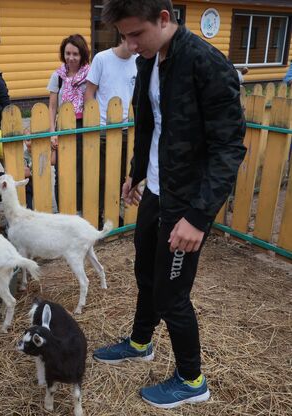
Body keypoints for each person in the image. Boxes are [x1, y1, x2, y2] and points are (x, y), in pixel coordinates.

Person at [92, 0, 246, 409]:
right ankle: (141, 342)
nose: (129, 43)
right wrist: (137, 171)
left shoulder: (206, 64)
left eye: (135, 33)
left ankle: (192, 380)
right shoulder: (149, 59)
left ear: (164, 18)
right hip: (157, 191)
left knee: (171, 295)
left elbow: (229, 148)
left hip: (187, 202)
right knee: (145, 270)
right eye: (123, 36)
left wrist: (197, 217)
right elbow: (149, 122)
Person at [85, 38, 137, 224]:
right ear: (123, 36)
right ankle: (98, 214)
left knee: (122, 174)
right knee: (100, 175)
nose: (136, 44)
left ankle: (116, 213)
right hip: (102, 128)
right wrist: (92, 120)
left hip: (127, 129)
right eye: (132, 37)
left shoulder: (139, 61)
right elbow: (90, 92)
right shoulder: (102, 59)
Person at [47, 34, 90, 213]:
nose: (71, 58)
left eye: (75, 54)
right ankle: (63, 210)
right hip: (62, 126)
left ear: (82, 55)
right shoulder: (57, 76)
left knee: (81, 168)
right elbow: (51, 106)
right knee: (61, 169)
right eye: (67, 53)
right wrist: (52, 132)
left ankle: (79, 209)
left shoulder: (91, 74)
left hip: (83, 125)